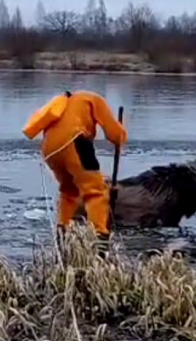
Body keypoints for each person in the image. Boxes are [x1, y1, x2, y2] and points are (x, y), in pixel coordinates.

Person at [22, 89, 127, 245]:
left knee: (69, 190)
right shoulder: (95, 100)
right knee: (96, 191)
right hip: (75, 142)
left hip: (49, 150)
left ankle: (62, 232)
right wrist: (121, 136)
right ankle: (99, 239)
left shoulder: (63, 104)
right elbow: (114, 134)